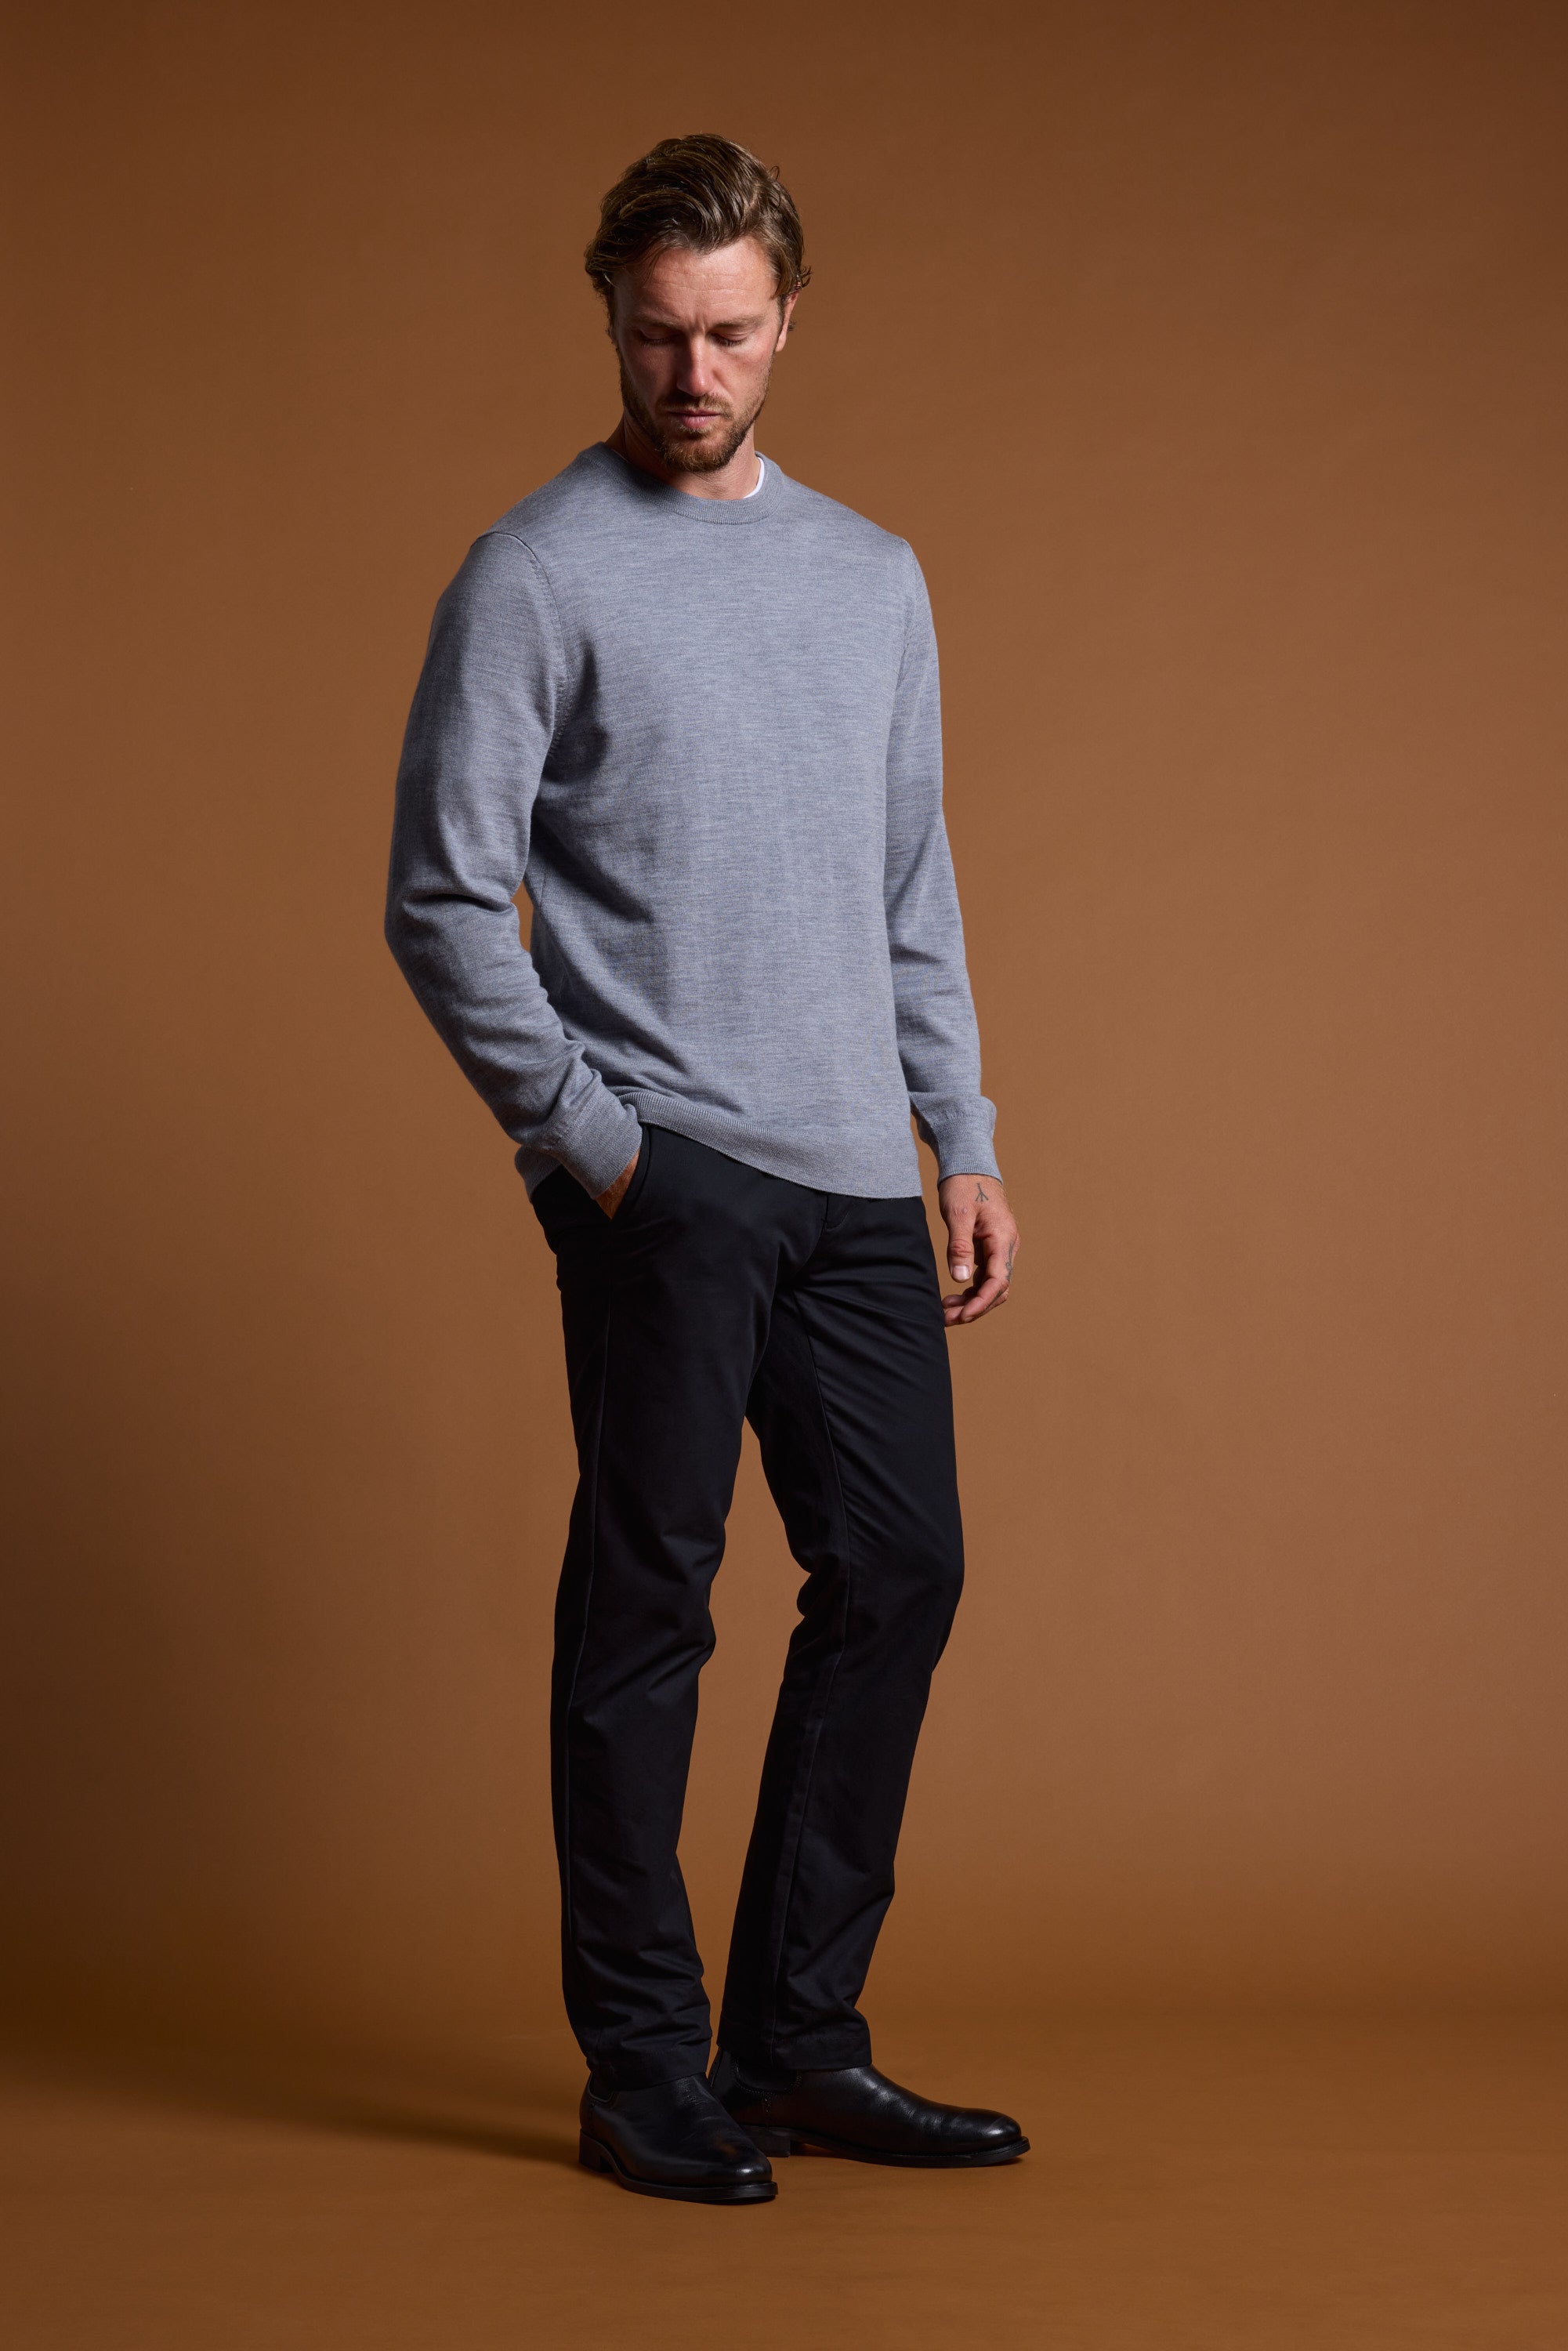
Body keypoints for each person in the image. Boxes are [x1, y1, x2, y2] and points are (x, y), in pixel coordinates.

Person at [386, 133, 1025, 2205]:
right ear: (611, 322)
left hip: (853, 1177)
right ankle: (643, 2069)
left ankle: (798, 2042)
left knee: (897, 1573)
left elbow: (905, 885)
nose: (692, 373)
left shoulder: (871, 574)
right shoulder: (538, 568)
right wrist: (594, 1147)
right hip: (665, 1180)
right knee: (649, 1608)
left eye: (729, 333)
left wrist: (963, 1135)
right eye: (657, 336)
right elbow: (437, 897)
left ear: (785, 323)